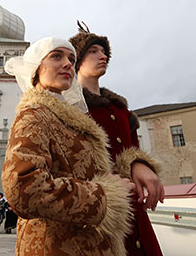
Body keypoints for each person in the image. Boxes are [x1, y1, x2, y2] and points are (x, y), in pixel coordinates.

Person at [2, 37, 135, 256]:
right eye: (57, 56)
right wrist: (103, 197)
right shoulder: (33, 114)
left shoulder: (67, 117)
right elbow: (23, 189)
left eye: (72, 59)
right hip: (54, 246)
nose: (68, 64)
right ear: (36, 68)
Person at [70, 22, 164, 256]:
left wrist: (139, 163)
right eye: (93, 51)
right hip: (97, 214)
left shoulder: (120, 108)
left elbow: (132, 147)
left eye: (104, 52)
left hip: (133, 210)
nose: (102, 56)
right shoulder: (68, 107)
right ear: (77, 60)